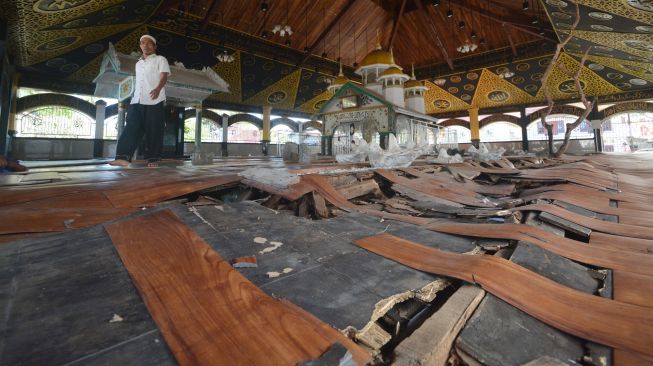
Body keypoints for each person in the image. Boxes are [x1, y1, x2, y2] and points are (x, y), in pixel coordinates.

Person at [110, 34, 171, 167]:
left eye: (149, 43)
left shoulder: (160, 59)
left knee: (154, 129)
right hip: (137, 99)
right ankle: (123, 157)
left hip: (154, 99)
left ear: (155, 47)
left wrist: (158, 89)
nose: (145, 45)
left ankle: (154, 159)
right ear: (140, 46)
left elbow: (164, 76)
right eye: (143, 43)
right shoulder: (138, 63)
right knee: (131, 127)